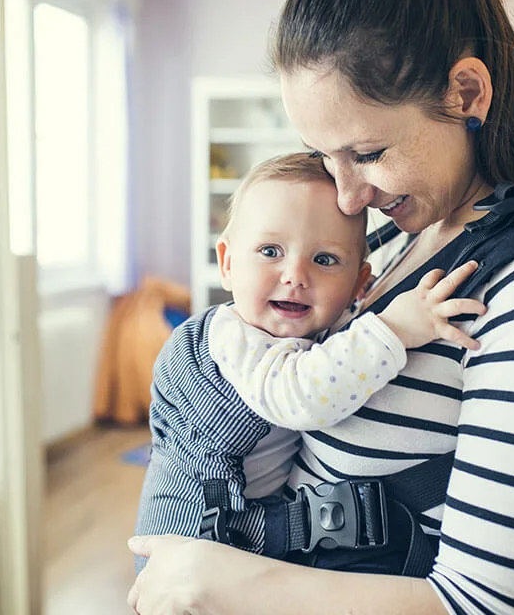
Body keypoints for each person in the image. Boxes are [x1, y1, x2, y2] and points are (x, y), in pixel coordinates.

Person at [127, 0, 514, 613]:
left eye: (367, 154)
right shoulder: (393, 240)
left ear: (467, 93)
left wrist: (227, 581)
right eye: (323, 156)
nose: (347, 195)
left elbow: (490, 605)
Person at [134, 152, 484, 569]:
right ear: (227, 264)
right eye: (269, 251)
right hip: (194, 542)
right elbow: (299, 395)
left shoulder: (310, 330)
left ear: (360, 284)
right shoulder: (232, 337)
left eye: (324, 260)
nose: (296, 275)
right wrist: (394, 328)